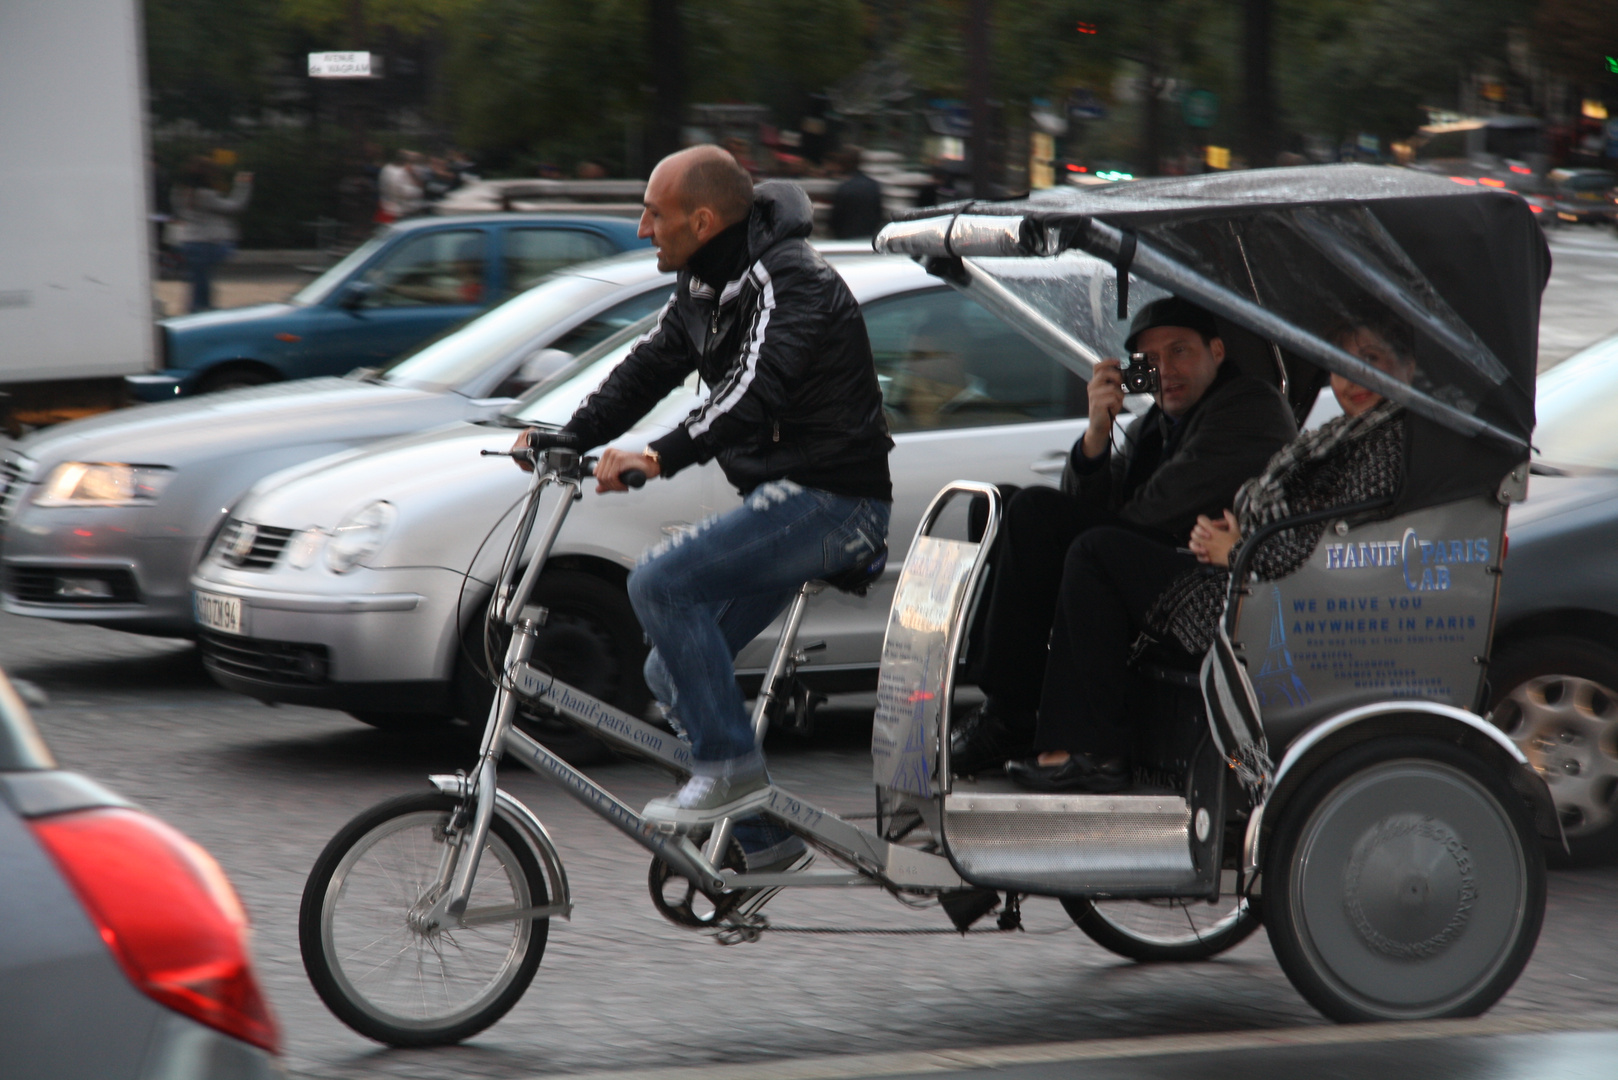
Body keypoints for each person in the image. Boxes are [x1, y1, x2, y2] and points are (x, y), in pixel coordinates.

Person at [512, 146, 892, 864]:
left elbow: (757, 388)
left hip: (837, 504)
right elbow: (648, 367)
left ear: (704, 218)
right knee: (665, 672)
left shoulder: (791, 280)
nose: (640, 228)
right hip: (787, 501)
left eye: (653, 212)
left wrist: (658, 456)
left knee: (659, 581)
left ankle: (728, 772)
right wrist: (569, 435)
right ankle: (765, 839)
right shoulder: (702, 285)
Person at [1005, 316, 1414, 792]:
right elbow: (1089, 505)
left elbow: (1336, 543)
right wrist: (1097, 434)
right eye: (1342, 365)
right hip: (1249, 568)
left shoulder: (1382, 443)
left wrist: (1241, 549)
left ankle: (1088, 748)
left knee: (1095, 550)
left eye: (1372, 362)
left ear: (1405, 370)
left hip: (1264, 595)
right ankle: (1016, 719)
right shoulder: (1340, 435)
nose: (1353, 379)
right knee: (1023, 511)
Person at [950, 296, 1297, 776]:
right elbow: (1090, 506)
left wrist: (1076, 523)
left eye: (1180, 352)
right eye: (1150, 361)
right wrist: (1096, 434)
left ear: (1216, 351)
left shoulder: (1250, 407)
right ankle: (1007, 707)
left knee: (1039, 516)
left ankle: (1010, 714)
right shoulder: (1150, 425)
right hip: (1154, 556)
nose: (1166, 370)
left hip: (1207, 579)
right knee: (1004, 508)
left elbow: (1151, 513)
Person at [169, 157, 252, 313]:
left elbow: (179, 213)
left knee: (198, 280)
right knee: (203, 279)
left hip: (188, 241)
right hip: (208, 242)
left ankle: (197, 308)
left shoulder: (179, 192)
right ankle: (201, 309)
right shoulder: (205, 195)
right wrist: (243, 185)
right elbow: (235, 206)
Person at [829, 147, 886, 239]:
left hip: (847, 238)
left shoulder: (844, 188)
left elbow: (836, 219)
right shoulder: (873, 185)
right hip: (869, 237)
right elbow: (879, 214)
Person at [377, 150, 424, 222]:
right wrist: (418, 191)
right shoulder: (399, 172)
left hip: (388, 207)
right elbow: (404, 192)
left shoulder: (387, 168)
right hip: (400, 211)